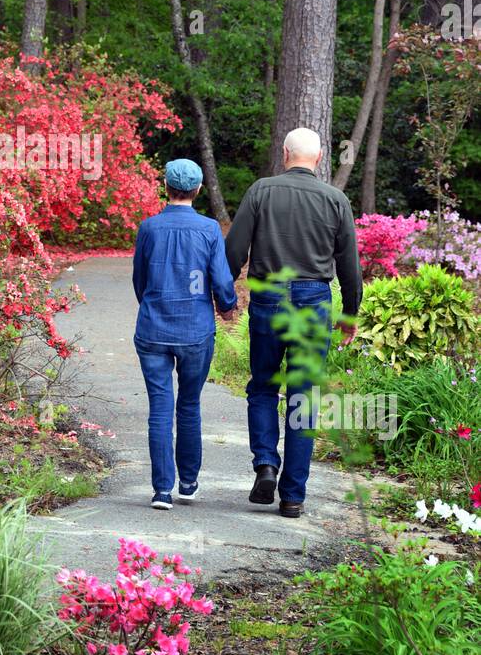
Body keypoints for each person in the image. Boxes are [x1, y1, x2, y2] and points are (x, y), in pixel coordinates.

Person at [225, 127, 363, 518]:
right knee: (303, 396)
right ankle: (293, 496)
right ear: (319, 158)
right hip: (313, 301)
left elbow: (234, 250)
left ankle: (266, 464)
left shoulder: (261, 191)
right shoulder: (336, 199)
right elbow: (350, 266)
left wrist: (225, 296)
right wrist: (349, 314)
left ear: (285, 153)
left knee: (264, 386)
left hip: (269, 298)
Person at [133, 158, 237, 510]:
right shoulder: (209, 230)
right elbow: (221, 279)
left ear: (166, 188)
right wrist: (227, 307)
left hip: (153, 328)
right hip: (195, 330)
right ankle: (188, 483)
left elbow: (140, 279)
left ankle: (162, 489)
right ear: (197, 190)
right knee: (189, 404)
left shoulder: (148, 228)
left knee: (159, 408)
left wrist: (151, 304)